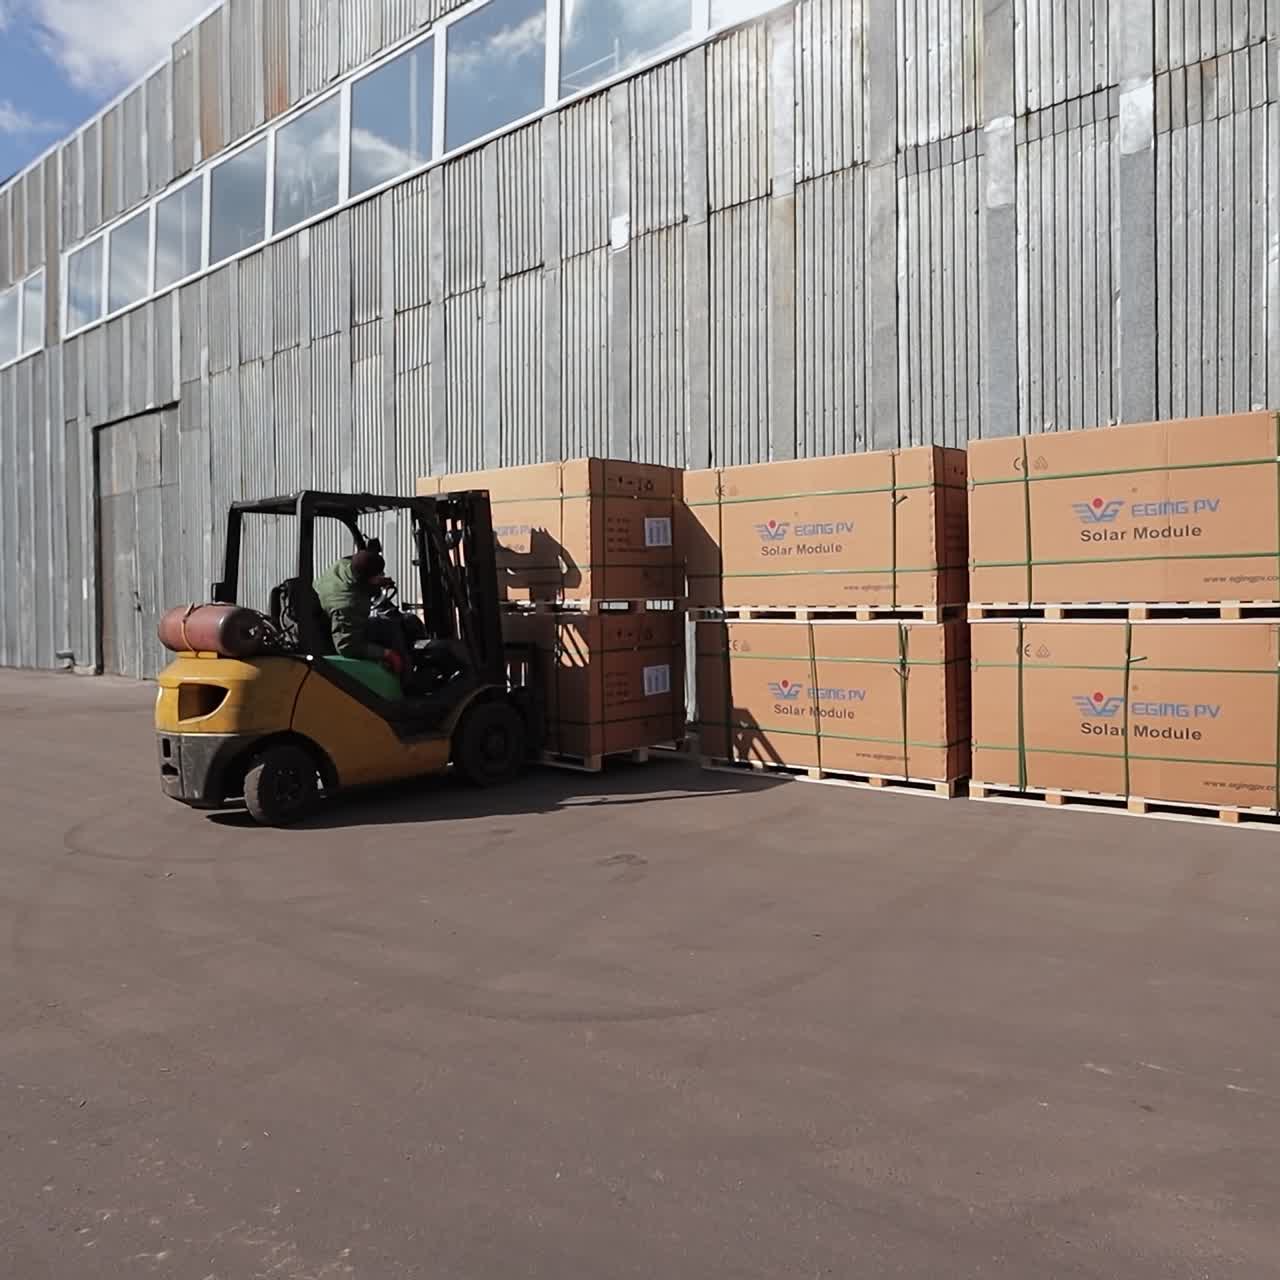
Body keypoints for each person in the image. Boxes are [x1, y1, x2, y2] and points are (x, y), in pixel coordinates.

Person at [314, 549, 405, 678]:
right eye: (379, 574)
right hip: (341, 635)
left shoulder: (343, 566)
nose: (383, 574)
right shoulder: (350, 604)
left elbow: (358, 581)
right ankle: (406, 680)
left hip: (335, 618)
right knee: (392, 630)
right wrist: (387, 654)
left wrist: (375, 583)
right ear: (369, 579)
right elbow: (347, 646)